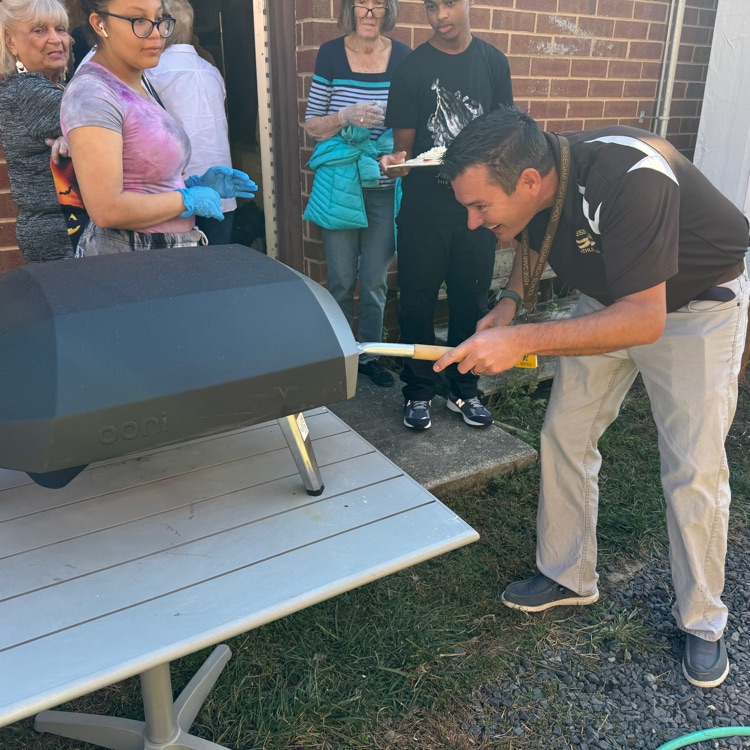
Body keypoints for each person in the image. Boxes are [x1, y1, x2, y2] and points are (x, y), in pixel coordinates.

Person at [436, 105, 750, 689]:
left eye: (481, 207)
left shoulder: (629, 177)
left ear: (529, 182)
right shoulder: (537, 172)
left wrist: (521, 338)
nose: (475, 223)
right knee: (565, 433)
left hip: (694, 307)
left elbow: (644, 319)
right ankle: (567, 575)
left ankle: (704, 620)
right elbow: (535, 239)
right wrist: (509, 304)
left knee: (693, 465)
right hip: (612, 298)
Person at [380, 0, 513, 429]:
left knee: (470, 302)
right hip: (422, 212)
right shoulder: (412, 70)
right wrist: (396, 163)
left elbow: (505, 140)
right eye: (431, 6)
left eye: (449, 3)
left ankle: (463, 389)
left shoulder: (494, 63)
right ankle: (418, 392)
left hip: (478, 213)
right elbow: (404, 151)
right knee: (417, 303)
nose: (440, 15)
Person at [60, 0, 255, 256]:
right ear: (100, 24)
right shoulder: (93, 94)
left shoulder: (138, 81)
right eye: (138, 21)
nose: (156, 33)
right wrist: (187, 200)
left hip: (163, 254)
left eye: (160, 20)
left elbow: (142, 177)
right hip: (133, 262)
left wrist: (192, 184)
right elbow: (107, 209)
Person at [303, 0, 410, 388]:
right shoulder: (331, 54)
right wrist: (345, 117)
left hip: (382, 188)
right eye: (360, 4)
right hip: (339, 188)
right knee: (342, 280)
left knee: (375, 280)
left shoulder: (402, 57)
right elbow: (313, 125)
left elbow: (408, 127)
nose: (368, 12)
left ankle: (370, 357)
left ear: (388, 10)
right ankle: (338, 355)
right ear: (350, 9)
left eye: (377, 4)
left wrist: (398, 156)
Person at [0, 0, 86, 263]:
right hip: (62, 231)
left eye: (60, 29)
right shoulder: (30, 91)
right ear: (11, 42)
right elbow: (120, 124)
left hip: (62, 226)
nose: (55, 39)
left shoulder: (49, 89)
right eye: (39, 31)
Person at [146, 0, 237, 245]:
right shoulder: (211, 71)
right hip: (219, 189)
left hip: (178, 192)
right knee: (219, 269)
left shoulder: (152, 72)